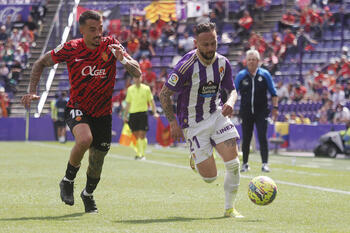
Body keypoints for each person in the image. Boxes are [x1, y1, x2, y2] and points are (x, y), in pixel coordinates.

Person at [21, 10, 141, 213]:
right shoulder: (71, 48)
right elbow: (40, 63)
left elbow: (137, 71)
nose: (98, 33)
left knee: (97, 160)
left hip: (103, 113)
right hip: (78, 107)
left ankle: (88, 194)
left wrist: (123, 60)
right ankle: (68, 180)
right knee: (84, 139)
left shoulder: (110, 45)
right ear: (82, 30)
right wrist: (32, 91)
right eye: (93, 30)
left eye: (100, 28)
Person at [159, 22, 243, 218]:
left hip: (217, 115)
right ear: (196, 43)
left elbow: (231, 89)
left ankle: (229, 209)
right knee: (210, 177)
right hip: (193, 123)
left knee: (233, 163)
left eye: (213, 43)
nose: (210, 49)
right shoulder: (185, 66)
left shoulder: (223, 63)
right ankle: (196, 158)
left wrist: (231, 101)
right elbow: (164, 94)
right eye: (205, 44)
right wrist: (173, 123)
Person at [234, 49, 278, 173]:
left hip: (261, 112)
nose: (251, 62)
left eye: (254, 59)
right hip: (246, 112)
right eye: (249, 59)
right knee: (246, 138)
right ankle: (245, 164)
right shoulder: (241, 75)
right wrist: (230, 106)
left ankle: (265, 164)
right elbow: (233, 92)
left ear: (258, 61)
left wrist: (275, 108)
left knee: (262, 137)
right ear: (245, 61)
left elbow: (274, 93)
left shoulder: (265, 74)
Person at [123, 75, 159, 160]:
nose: (137, 79)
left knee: (142, 134)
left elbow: (151, 101)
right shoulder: (130, 89)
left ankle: (141, 154)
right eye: (135, 78)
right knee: (135, 135)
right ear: (133, 79)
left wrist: (155, 112)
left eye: (138, 77)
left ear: (141, 78)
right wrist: (125, 115)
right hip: (133, 114)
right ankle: (139, 153)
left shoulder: (146, 88)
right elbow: (128, 103)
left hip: (143, 113)